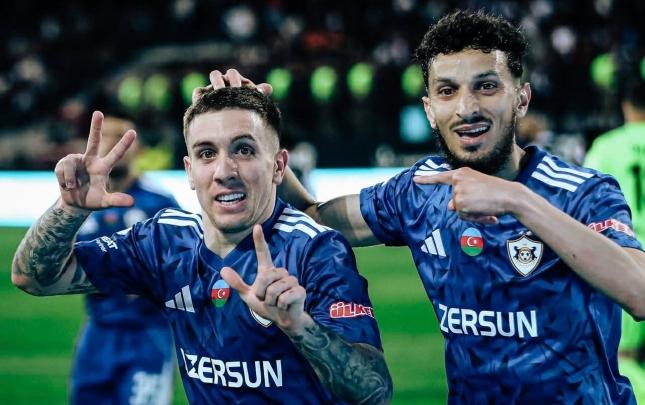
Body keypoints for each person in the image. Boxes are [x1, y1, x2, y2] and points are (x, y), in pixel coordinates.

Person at [206, 10, 645, 403]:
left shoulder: (581, 192)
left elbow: (639, 293)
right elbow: (314, 217)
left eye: (486, 86)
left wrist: (518, 200)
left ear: (522, 98)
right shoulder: (420, 191)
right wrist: (259, 134)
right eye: (447, 91)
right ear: (430, 110)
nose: (467, 108)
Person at [11, 87, 392, 404]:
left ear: (278, 166)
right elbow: (34, 277)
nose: (224, 171)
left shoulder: (315, 250)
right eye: (207, 153)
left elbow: (373, 391)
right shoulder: (164, 242)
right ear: (190, 171)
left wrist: (299, 326)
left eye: (244, 150)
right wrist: (69, 210)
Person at [70, 116, 178, 405]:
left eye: (122, 140)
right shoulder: (81, 203)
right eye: (107, 138)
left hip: (147, 332)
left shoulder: (159, 202)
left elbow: (184, 261)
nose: (113, 146)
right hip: (98, 330)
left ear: (137, 150)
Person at [584, 77, 645, 401]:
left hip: (628, 256)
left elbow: (584, 197)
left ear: (626, 107)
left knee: (625, 355)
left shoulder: (607, 146)